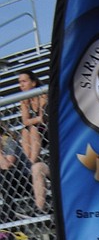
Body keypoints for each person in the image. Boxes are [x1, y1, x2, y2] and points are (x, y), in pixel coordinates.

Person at [18, 70, 48, 211]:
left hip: (45, 130)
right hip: (34, 130)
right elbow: (25, 121)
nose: (21, 85)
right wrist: (33, 121)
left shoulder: (42, 94)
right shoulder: (24, 100)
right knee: (25, 131)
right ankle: (31, 162)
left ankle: (30, 162)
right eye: (20, 82)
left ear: (33, 82)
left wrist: (32, 121)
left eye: (24, 81)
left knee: (33, 129)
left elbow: (43, 118)